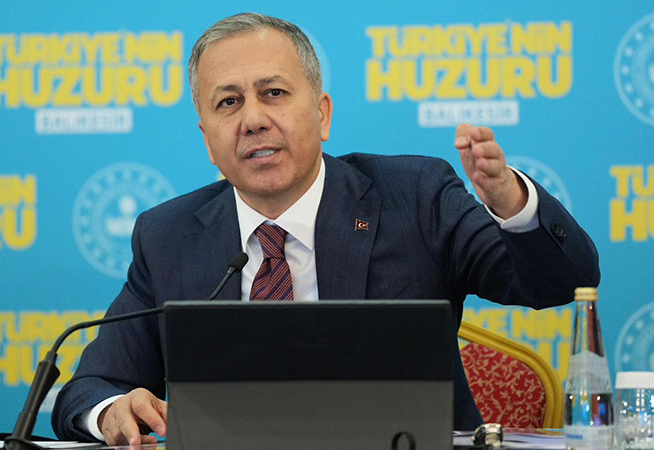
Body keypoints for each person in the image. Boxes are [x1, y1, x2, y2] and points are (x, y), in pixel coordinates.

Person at [51, 12, 600, 445]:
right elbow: (91, 388)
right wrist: (111, 411)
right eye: (229, 102)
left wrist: (510, 202)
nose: (253, 119)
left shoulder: (414, 197)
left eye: (273, 93)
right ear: (208, 140)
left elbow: (561, 283)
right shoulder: (168, 236)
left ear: (323, 113)